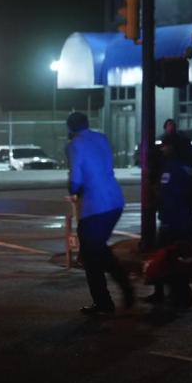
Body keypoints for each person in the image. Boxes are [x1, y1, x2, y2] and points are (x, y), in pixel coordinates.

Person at [66, 112, 134, 316]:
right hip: (114, 200)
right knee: (97, 250)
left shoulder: (75, 144)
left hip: (95, 206)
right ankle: (123, 289)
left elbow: (76, 181)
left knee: (91, 255)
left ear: (69, 128)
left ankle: (105, 301)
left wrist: (73, 189)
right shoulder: (101, 138)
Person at [153, 134, 192, 308]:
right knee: (179, 261)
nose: (162, 148)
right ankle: (176, 297)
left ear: (172, 147)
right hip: (186, 221)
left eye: (164, 145)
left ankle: (179, 299)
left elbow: (170, 198)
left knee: (170, 261)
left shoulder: (173, 168)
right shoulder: (186, 167)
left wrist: (166, 220)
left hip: (175, 223)